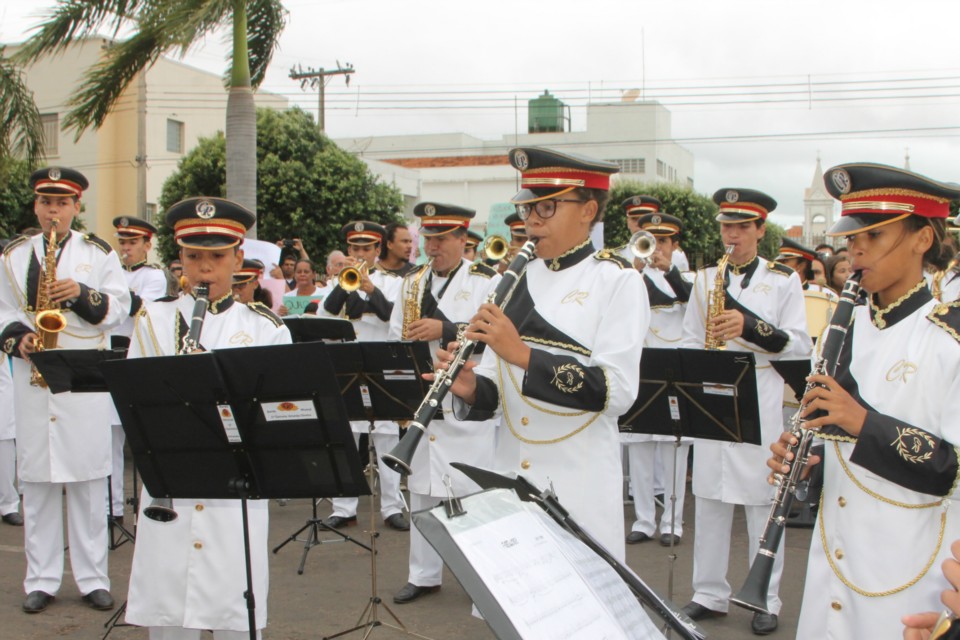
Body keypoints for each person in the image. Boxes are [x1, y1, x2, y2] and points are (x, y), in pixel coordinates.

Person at [767, 163, 960, 640]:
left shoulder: (949, 337)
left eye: (873, 236)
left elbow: (952, 467)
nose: (854, 250)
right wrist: (808, 460)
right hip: (832, 562)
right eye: (852, 237)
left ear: (922, 239)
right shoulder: (841, 328)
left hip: (910, 574)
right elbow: (837, 449)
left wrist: (862, 423)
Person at [447, 146, 647, 563]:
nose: (532, 220)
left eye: (548, 207)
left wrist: (522, 355)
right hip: (511, 475)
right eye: (528, 209)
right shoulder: (510, 280)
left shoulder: (617, 281)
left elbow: (616, 392)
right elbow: (495, 391)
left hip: (579, 483)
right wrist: (469, 389)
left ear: (588, 209)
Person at [125, 196, 291, 639]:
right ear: (179, 258)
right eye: (194, 256)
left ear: (238, 258)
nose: (204, 269)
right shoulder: (153, 319)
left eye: (217, 257)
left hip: (236, 486)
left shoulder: (265, 327)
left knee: (235, 607)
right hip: (171, 481)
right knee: (168, 610)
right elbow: (133, 403)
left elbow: (278, 411)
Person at [679, 187, 811, 636]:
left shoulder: (783, 280)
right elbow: (688, 338)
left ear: (760, 229)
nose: (730, 235)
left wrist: (751, 327)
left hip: (759, 391)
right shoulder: (702, 279)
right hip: (712, 393)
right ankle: (708, 593)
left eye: (740, 226)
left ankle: (766, 597)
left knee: (762, 497)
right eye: (725, 226)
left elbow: (799, 343)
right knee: (711, 497)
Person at [0, 167, 130, 614]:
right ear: (35, 206)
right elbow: (0, 310)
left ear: (76, 207)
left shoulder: (98, 254)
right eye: (45, 203)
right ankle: (41, 579)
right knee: (35, 484)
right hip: (32, 378)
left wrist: (80, 293)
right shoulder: (13, 256)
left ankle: (94, 577)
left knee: (89, 483)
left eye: (61, 203)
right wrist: (18, 337)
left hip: (82, 380)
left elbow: (119, 308)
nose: (52, 211)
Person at [387, 202, 501, 605]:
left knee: (469, 493)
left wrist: (445, 327)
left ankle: (482, 579)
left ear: (462, 239)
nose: (431, 247)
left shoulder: (487, 279)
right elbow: (393, 334)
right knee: (421, 491)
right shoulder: (411, 282)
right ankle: (423, 574)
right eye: (427, 239)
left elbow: (493, 336)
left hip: (464, 400)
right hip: (422, 401)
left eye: (440, 239)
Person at [322, 221, 408, 532]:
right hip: (347, 365)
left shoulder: (394, 282)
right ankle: (343, 508)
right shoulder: (339, 282)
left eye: (367, 249)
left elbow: (394, 317)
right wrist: (344, 287)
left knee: (386, 438)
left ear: (377, 250)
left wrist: (371, 290)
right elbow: (325, 317)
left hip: (379, 364)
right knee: (346, 438)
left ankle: (392, 506)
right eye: (355, 249)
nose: (360, 254)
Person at [618, 200, 693, 547]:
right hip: (640, 365)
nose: (657, 248)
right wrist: (633, 270)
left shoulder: (686, 277)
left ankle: (672, 522)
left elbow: (694, 302)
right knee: (640, 447)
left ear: (675, 245)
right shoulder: (629, 273)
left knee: (674, 449)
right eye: (652, 239)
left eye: (664, 241)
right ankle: (644, 519)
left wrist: (667, 271)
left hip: (673, 367)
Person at [108, 216, 168, 523]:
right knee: (110, 438)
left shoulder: (153, 276)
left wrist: (114, 284)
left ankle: (152, 503)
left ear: (147, 245)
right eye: (122, 242)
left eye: (132, 243)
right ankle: (113, 507)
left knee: (143, 436)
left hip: (137, 354)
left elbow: (143, 311)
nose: (126, 248)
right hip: (109, 353)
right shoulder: (113, 272)